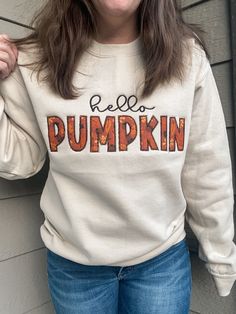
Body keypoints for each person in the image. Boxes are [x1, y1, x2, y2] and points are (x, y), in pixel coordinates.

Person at [0, 0, 235, 313]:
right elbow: (20, 160)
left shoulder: (187, 59)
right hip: (75, 268)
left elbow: (207, 168)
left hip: (161, 264)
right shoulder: (36, 62)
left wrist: (222, 256)